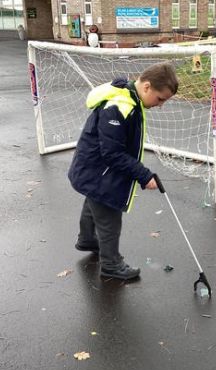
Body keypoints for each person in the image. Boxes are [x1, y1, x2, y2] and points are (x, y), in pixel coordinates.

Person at [68, 63, 179, 280]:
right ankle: (111, 265)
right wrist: (144, 175)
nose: (161, 105)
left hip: (93, 170)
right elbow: (112, 153)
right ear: (146, 87)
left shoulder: (131, 99)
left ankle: (87, 239)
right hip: (98, 171)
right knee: (109, 216)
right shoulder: (119, 107)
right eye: (160, 99)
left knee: (93, 201)